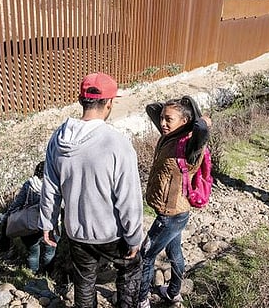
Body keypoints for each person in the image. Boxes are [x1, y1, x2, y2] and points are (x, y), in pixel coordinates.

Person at [39, 72, 143, 308]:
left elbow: (50, 187)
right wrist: (134, 236)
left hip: (76, 232)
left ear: (80, 99)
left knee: (84, 281)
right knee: (130, 271)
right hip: (111, 233)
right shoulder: (116, 143)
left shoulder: (58, 139)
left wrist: (48, 223)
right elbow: (129, 199)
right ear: (109, 103)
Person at [138, 96, 211, 308]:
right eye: (162, 119)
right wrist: (170, 110)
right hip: (176, 210)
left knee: (145, 256)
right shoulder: (170, 136)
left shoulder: (190, 146)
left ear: (185, 122)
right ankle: (173, 293)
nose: (162, 123)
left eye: (168, 119)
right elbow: (150, 108)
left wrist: (202, 120)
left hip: (171, 215)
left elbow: (201, 129)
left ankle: (142, 300)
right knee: (174, 252)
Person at [0, 161, 58, 274]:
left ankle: (33, 276)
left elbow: (16, 204)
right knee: (50, 252)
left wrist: (5, 218)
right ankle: (47, 276)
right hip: (51, 224)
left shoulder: (29, 184)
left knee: (32, 252)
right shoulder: (54, 185)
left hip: (29, 224)